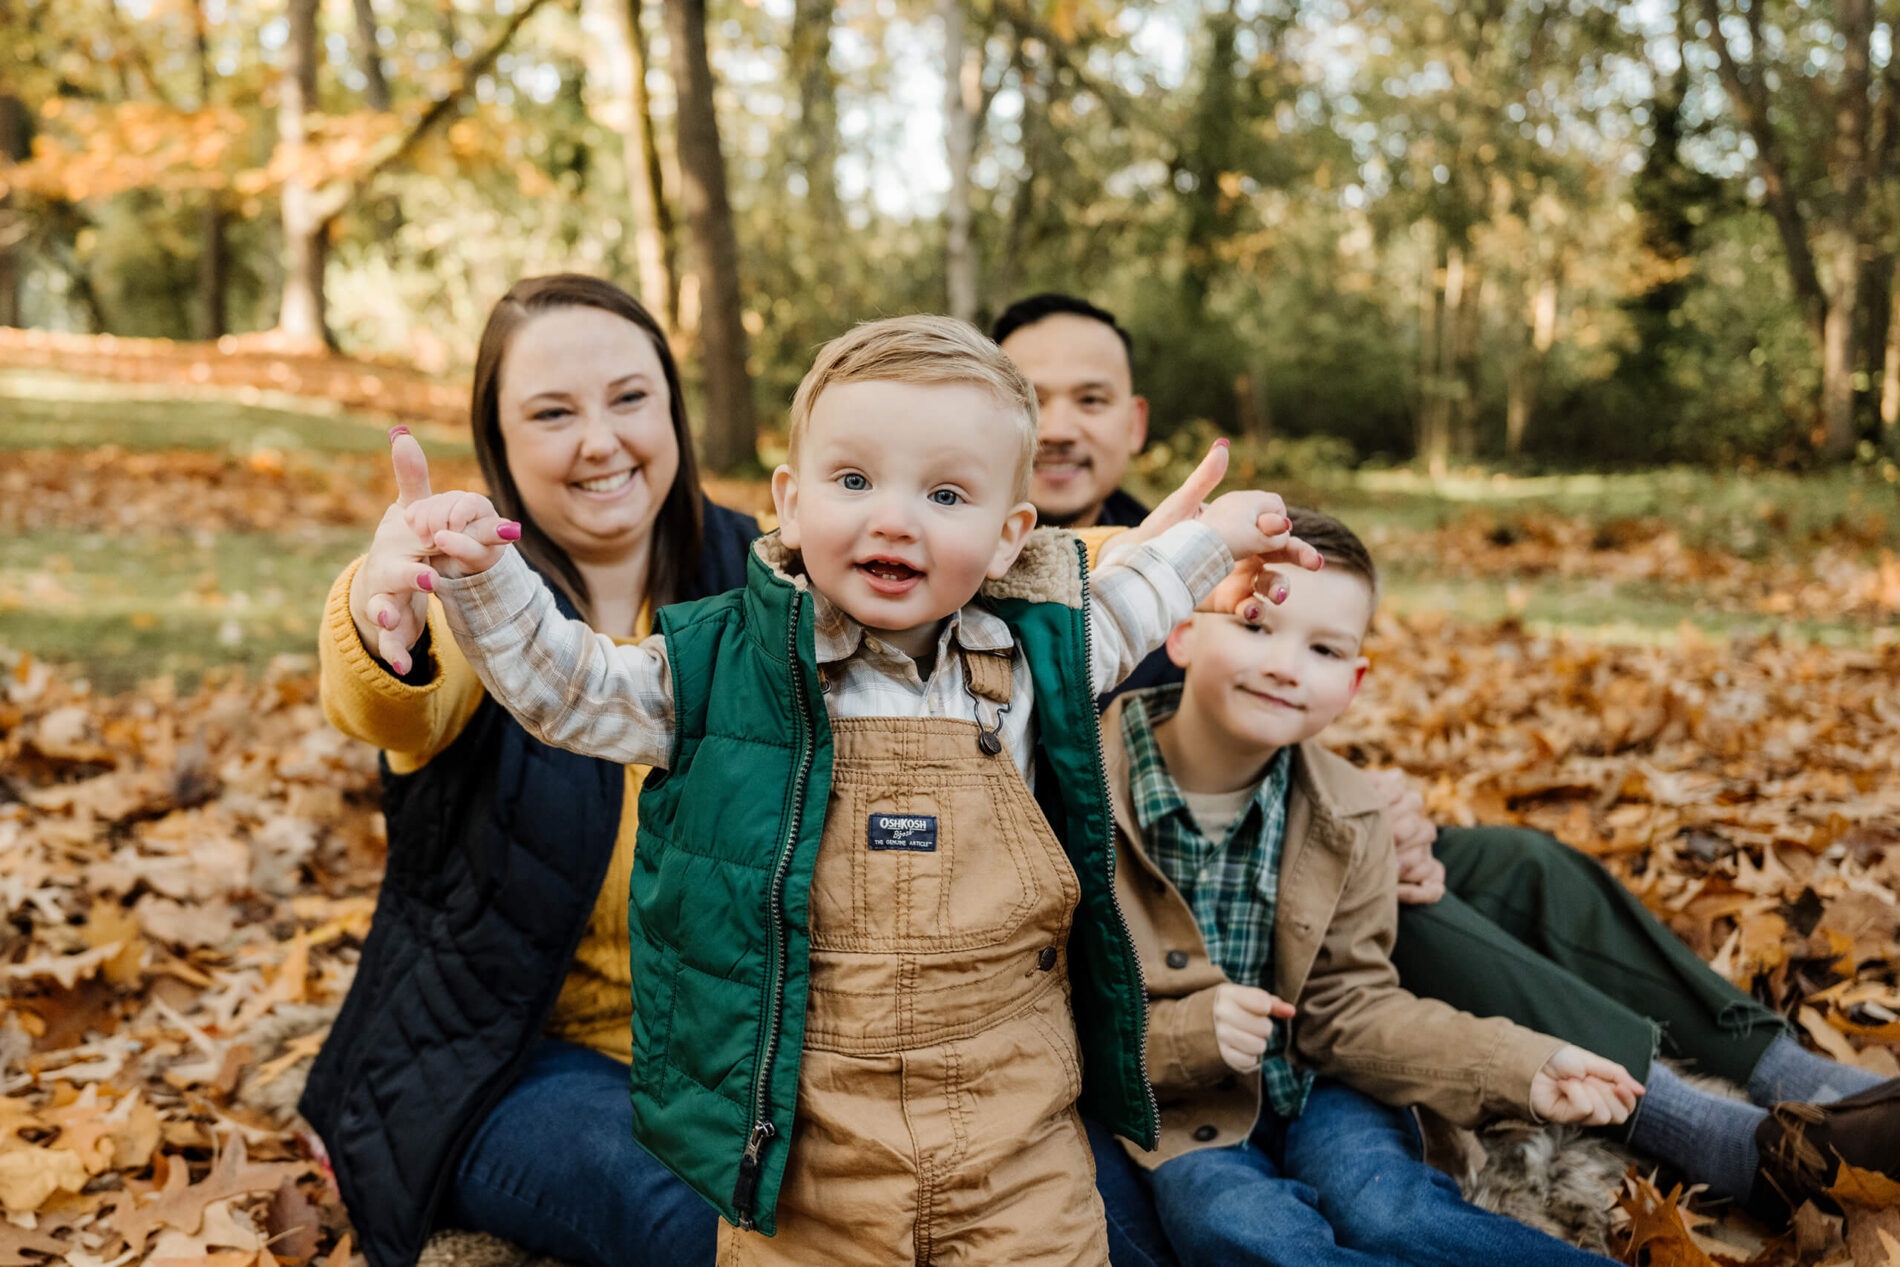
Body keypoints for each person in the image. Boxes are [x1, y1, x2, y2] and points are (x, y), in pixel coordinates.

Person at [376, 315, 1324, 1265]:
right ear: (790, 501)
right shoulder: (722, 671)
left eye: (946, 493)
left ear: (1007, 539)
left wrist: (1217, 535)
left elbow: (1130, 598)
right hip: (810, 1159)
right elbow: (575, 687)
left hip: (1015, 1142)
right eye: (855, 480)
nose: (894, 518)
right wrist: (484, 575)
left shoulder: (1031, 662)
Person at [994, 295, 1899, 1245]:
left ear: (1132, 421)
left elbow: (1297, 662)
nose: (1058, 426)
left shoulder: (1201, 540)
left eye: (1088, 399)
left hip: (1257, 835)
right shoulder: (961, 554)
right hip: (1129, 890)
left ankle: (1795, 1076)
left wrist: (1375, 797)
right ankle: (1699, 1120)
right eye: (1032, 399)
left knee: (1515, 862)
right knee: (1414, 917)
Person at [300, 275, 760, 1267]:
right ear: (499, 443)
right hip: (510, 1062)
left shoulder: (771, 578)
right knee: (694, 1214)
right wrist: (387, 617)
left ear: (673, 410)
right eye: (553, 413)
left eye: (630, 398)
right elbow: (390, 697)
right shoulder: (474, 593)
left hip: (747, 1053)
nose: (600, 440)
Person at [1107, 506, 1641, 1266]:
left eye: (1324, 648)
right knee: (1238, 1226)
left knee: (1390, 1210)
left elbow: (1352, 1007)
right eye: (1256, 626)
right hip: (1173, 1099)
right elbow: (1049, 1007)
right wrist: (1189, 1033)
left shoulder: (1348, 812)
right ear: (1181, 633)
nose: (1288, 665)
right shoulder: (1087, 793)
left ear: (1353, 681)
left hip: (1320, 1086)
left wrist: (1524, 1064)